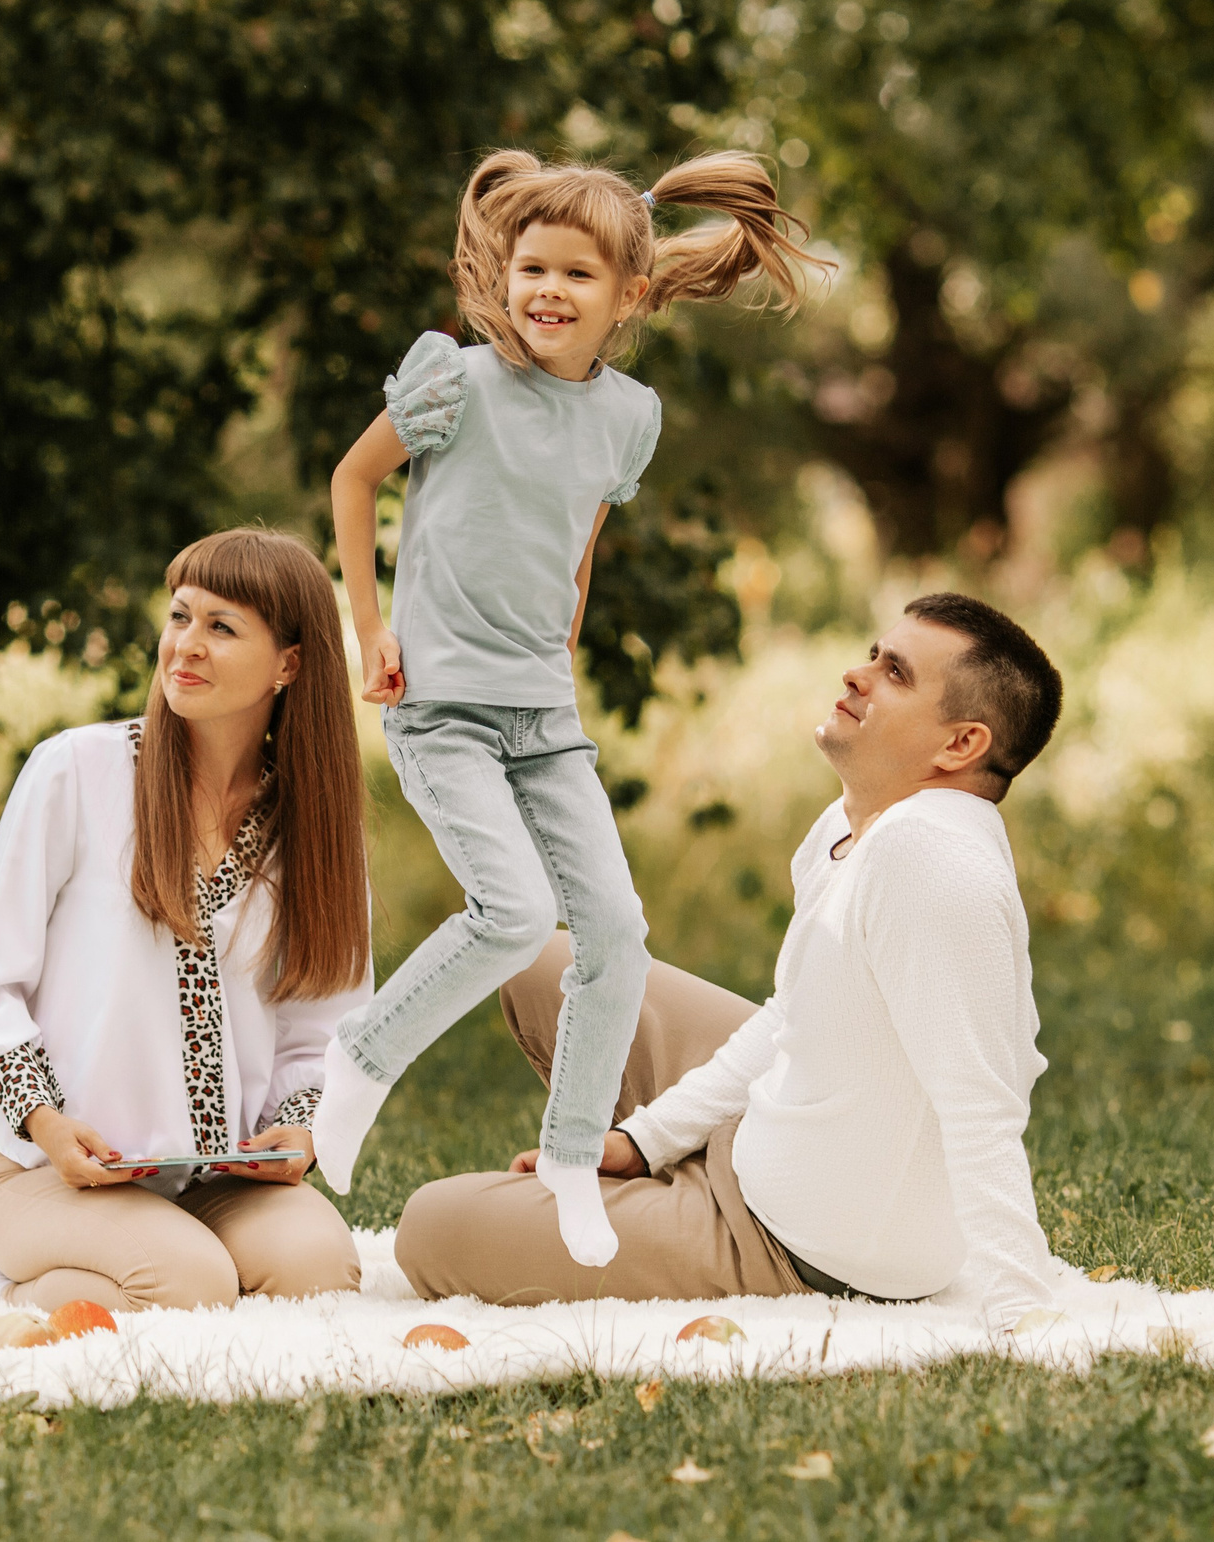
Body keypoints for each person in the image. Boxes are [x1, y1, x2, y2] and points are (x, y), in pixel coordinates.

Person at [308, 149, 829, 1267]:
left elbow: (575, 554)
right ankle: (361, 1060)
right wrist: (370, 626)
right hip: (440, 705)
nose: (544, 290)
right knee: (507, 914)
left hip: (543, 717)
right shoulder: (454, 381)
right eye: (529, 267)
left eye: (574, 276)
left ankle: (568, 1156)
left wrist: (558, 655)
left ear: (629, 297)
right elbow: (355, 482)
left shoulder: (628, 417)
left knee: (615, 934)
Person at [394, 594, 1072, 1337]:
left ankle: (674, 1208)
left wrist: (1021, 1305)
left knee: (430, 1228)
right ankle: (664, 1175)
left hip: (794, 1243)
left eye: (896, 674)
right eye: (873, 653)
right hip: (775, 1129)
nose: (857, 674)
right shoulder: (855, 824)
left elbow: (981, 1101)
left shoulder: (934, 861)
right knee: (550, 965)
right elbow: (792, 1013)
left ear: (961, 744)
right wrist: (646, 1140)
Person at [0, 529, 374, 1313]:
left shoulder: (311, 827)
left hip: (221, 1181)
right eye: (179, 617)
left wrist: (302, 1127)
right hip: (54, 1176)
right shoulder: (76, 771)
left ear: (289, 665)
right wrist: (47, 1124)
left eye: (221, 628)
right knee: (190, 1285)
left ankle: (158, 1264)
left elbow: (325, 1022)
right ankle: (10, 1286)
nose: (186, 646)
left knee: (318, 1269)